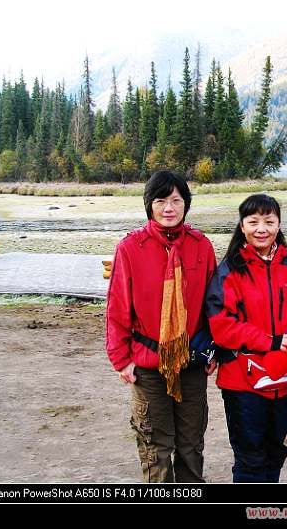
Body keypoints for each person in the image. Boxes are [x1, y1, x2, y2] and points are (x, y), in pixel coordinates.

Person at [105, 170, 217, 482]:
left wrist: (214, 350)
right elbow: (117, 307)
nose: (169, 208)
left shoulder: (201, 246)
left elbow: (214, 306)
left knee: (191, 446)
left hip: (191, 362)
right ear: (149, 205)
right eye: (161, 201)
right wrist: (121, 360)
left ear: (186, 205)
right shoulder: (130, 248)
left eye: (176, 201)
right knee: (156, 448)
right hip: (148, 365)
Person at [206, 193, 287, 482]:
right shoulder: (230, 269)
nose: (261, 229)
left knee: (274, 451)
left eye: (269, 221)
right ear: (242, 226)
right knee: (250, 457)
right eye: (253, 222)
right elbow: (221, 325)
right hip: (242, 381)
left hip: (282, 378)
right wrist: (269, 340)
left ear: (278, 224)